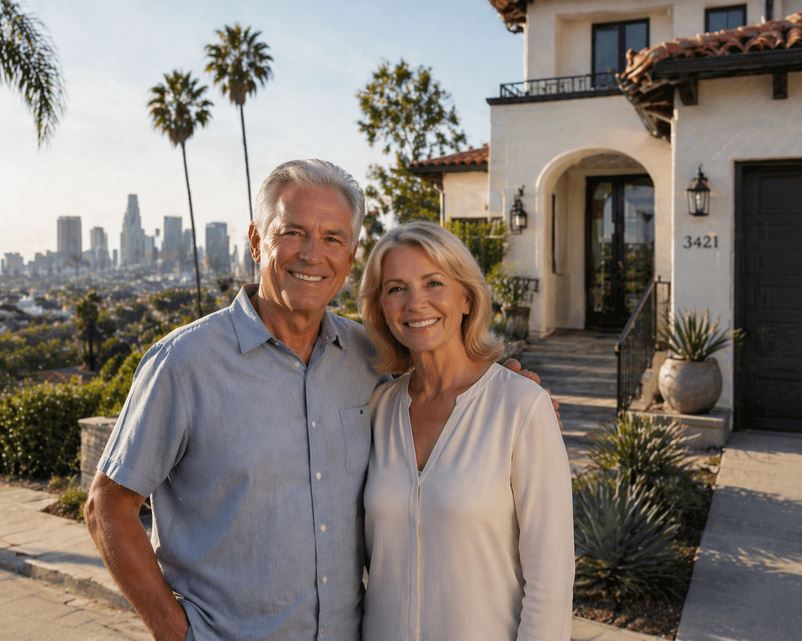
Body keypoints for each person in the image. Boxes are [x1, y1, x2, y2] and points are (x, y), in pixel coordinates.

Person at [84, 159, 557, 641]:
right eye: (292, 233)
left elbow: (448, 383)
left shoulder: (368, 360)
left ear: (350, 255)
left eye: (332, 238)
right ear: (255, 241)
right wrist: (178, 633)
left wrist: (512, 394)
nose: (313, 254)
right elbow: (106, 508)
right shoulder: (184, 364)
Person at [358, 221, 574, 641]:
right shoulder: (378, 409)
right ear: (380, 307)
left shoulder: (521, 405)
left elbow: (551, 577)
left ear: (466, 298)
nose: (415, 303)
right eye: (396, 288)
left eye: (433, 282)